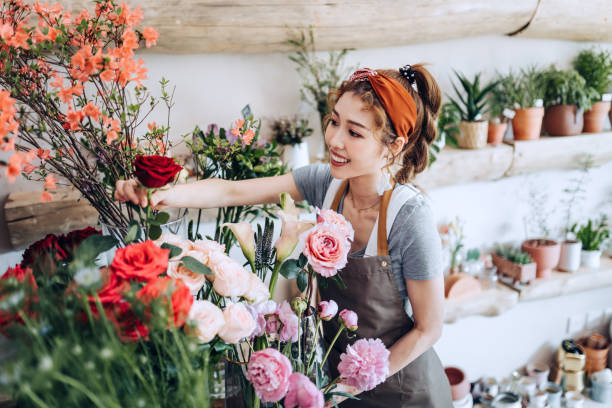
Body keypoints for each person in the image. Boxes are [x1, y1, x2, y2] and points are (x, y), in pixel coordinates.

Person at [115, 63, 453, 407]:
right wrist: (165, 194)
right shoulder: (327, 184)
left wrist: (347, 388)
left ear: (393, 147)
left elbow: (429, 329)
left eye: (354, 132)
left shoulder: (408, 216)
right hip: (338, 381)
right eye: (334, 121)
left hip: (403, 389)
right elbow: (233, 193)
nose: (334, 139)